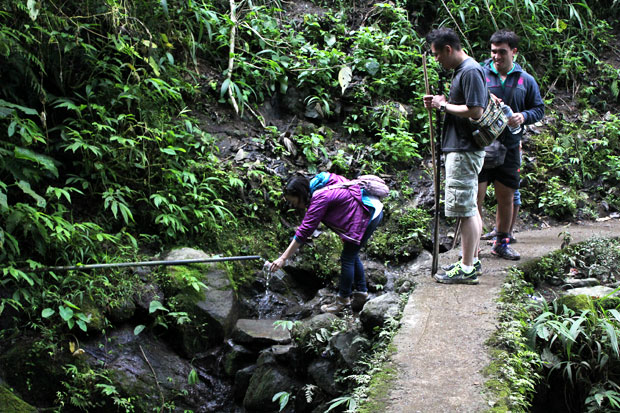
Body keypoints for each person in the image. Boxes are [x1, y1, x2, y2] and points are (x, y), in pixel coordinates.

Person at [269, 172, 384, 313]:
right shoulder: (321, 181)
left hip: (368, 214)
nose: (295, 206)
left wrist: (283, 258)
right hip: (370, 207)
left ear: (300, 194)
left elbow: (304, 231)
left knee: (347, 258)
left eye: (294, 202)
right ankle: (361, 293)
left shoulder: (319, 198)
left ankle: (342, 301)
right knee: (352, 255)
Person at [423, 28, 486, 285]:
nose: (436, 60)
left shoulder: (469, 70)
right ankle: (469, 260)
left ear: (448, 49)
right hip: (461, 147)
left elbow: (476, 111)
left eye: (437, 55)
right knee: (469, 207)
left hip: (463, 149)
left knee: (465, 209)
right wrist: (443, 101)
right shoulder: (464, 70)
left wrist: (443, 106)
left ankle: (467, 267)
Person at [477, 29, 544, 260]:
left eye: (502, 52)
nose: (496, 57)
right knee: (476, 196)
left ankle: (501, 243)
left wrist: (523, 116)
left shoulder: (526, 80)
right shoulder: (479, 74)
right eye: (493, 52)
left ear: (514, 52)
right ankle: (472, 246)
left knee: (506, 196)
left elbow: (538, 109)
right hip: (481, 145)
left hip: (510, 145)